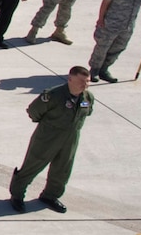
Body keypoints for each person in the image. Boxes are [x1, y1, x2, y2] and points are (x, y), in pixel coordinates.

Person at [9, 67, 94, 214]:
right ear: (70, 79)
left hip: (71, 137)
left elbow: (88, 112)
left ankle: (50, 196)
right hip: (48, 135)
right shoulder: (53, 95)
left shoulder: (88, 97)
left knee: (63, 169)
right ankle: (17, 195)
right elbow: (34, 111)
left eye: (87, 81)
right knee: (33, 165)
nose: (85, 85)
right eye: (81, 81)